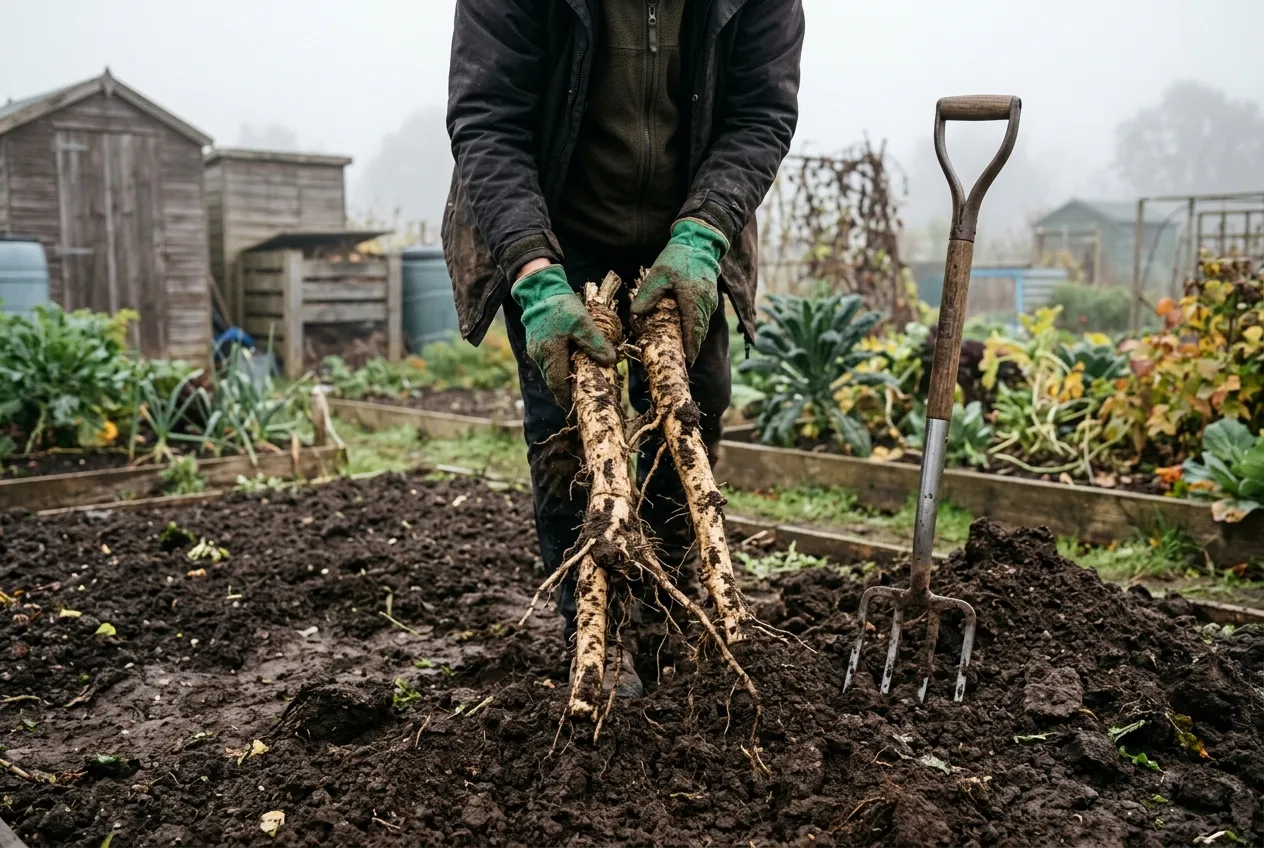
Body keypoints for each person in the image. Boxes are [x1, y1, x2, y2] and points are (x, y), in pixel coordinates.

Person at [443, 0, 804, 695]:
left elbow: (761, 112)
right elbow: (488, 120)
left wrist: (704, 232)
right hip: (552, 232)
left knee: (691, 415)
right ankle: (595, 633)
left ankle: (671, 613)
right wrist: (532, 274)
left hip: (690, 225)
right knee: (569, 437)